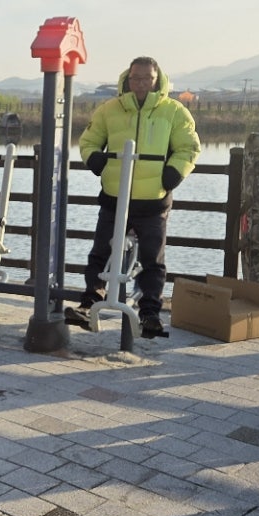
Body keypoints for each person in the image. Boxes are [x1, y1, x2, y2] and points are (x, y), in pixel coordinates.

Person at [69, 56, 200, 338]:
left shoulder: (174, 111)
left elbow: (188, 147)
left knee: (153, 259)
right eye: (135, 78)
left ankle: (150, 313)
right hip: (114, 196)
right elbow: (89, 140)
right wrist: (94, 158)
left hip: (153, 200)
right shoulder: (110, 109)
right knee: (100, 252)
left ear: (157, 80)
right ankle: (89, 303)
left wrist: (173, 173)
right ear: (127, 80)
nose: (140, 84)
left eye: (146, 78)